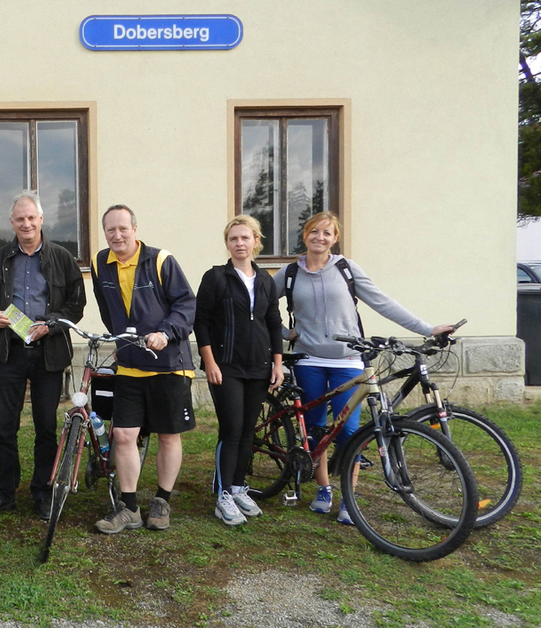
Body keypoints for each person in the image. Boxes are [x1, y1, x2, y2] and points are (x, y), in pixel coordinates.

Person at [272, 211, 453, 525]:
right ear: (305, 236)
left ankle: (348, 499)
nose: (320, 238)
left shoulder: (346, 269)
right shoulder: (288, 274)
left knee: (348, 430)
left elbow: (382, 302)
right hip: (308, 361)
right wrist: (283, 334)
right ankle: (323, 489)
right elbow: (257, 308)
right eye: (314, 232)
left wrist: (426, 328)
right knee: (314, 430)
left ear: (335, 238)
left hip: (348, 361)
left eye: (327, 233)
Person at [0, 190, 86, 520]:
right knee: (4, 428)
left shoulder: (62, 258)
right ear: (12, 223)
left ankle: (42, 492)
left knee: (45, 427)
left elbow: (75, 306)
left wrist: (51, 325)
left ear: (41, 220)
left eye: (31, 218)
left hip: (48, 355)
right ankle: (4, 493)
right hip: (10, 353)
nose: (26, 223)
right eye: (19, 219)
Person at [91, 204, 196, 533]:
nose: (117, 235)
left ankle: (162, 500)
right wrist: (123, 341)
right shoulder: (100, 263)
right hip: (130, 365)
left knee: (168, 435)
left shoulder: (161, 260)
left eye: (123, 228)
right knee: (122, 435)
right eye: (110, 230)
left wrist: (165, 333)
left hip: (168, 365)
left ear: (135, 229)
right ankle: (129, 506)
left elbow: (186, 304)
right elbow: (107, 308)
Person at [194, 215, 283, 527]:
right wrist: (210, 362)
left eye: (245, 238)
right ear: (227, 244)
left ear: (256, 242)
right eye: (234, 239)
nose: (240, 243)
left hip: (258, 368)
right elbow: (200, 321)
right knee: (231, 429)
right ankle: (222, 495)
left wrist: (277, 363)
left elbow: (273, 323)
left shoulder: (266, 281)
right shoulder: (216, 278)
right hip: (226, 367)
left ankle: (236, 487)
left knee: (248, 431)